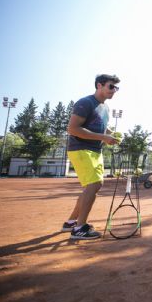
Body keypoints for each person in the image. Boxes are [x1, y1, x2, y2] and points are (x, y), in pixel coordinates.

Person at [61, 74, 121, 240]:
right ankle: (79, 228)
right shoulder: (85, 102)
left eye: (116, 88)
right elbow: (73, 129)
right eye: (111, 86)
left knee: (92, 186)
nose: (114, 90)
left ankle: (71, 222)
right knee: (94, 184)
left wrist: (110, 134)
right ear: (99, 85)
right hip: (80, 148)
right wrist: (103, 137)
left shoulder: (105, 108)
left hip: (95, 151)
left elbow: (101, 127)